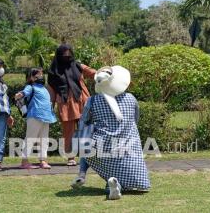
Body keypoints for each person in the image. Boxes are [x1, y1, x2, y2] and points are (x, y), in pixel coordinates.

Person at [71, 66, 151, 200]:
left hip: (100, 146)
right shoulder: (131, 98)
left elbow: (83, 123)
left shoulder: (92, 100)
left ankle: (82, 175)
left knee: (87, 145)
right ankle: (113, 184)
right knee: (133, 176)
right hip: (126, 145)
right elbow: (135, 120)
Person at [47, 44, 96, 166]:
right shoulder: (53, 72)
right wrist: (49, 109)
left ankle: (88, 157)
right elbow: (51, 92)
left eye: (69, 54)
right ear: (59, 55)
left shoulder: (78, 65)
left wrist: (107, 74)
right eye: (64, 54)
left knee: (87, 130)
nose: (67, 57)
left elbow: (93, 73)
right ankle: (71, 157)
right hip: (65, 104)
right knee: (68, 132)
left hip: (82, 101)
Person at [15, 68, 57, 169]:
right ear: (31, 77)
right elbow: (24, 92)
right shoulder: (30, 87)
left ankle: (43, 160)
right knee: (30, 138)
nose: (41, 77)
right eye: (38, 75)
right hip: (34, 116)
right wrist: (20, 95)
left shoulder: (44, 88)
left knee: (44, 140)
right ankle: (24, 161)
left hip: (46, 117)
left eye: (42, 74)